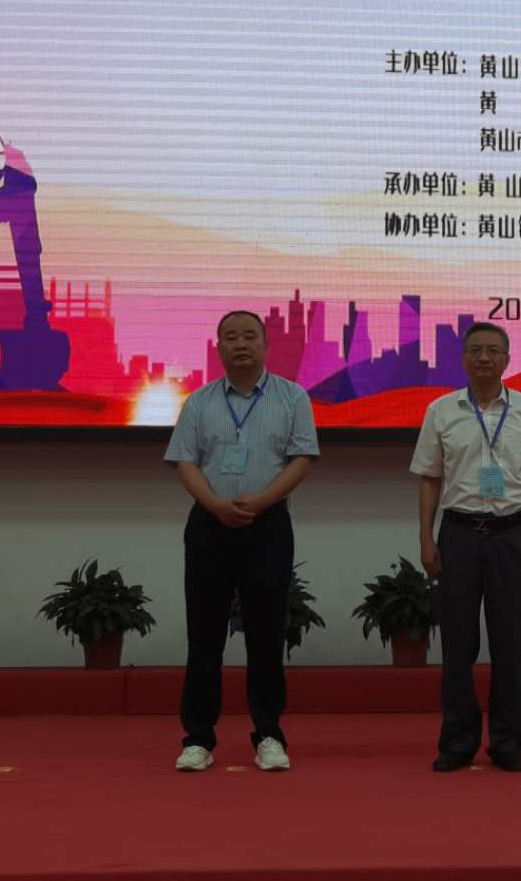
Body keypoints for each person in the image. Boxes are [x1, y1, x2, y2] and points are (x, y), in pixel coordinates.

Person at [164, 310, 319, 773]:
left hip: (267, 526)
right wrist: (215, 505)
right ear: (219, 348)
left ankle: (269, 734)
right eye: (230, 337)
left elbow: (301, 458)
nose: (240, 344)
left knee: (267, 634)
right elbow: (185, 461)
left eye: (250, 336)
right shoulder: (199, 402)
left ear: (266, 345)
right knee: (204, 634)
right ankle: (198, 738)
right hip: (209, 525)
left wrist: (260, 502)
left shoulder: (292, 397)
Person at [411, 322, 521, 773]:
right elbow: (429, 479)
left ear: (507, 359)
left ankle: (508, 741)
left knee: (509, 643)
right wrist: (426, 538)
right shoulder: (441, 410)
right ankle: (457, 741)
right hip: (458, 534)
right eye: (475, 350)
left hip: (512, 534)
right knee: (458, 644)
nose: (484, 358)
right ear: (463, 358)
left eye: (493, 350)